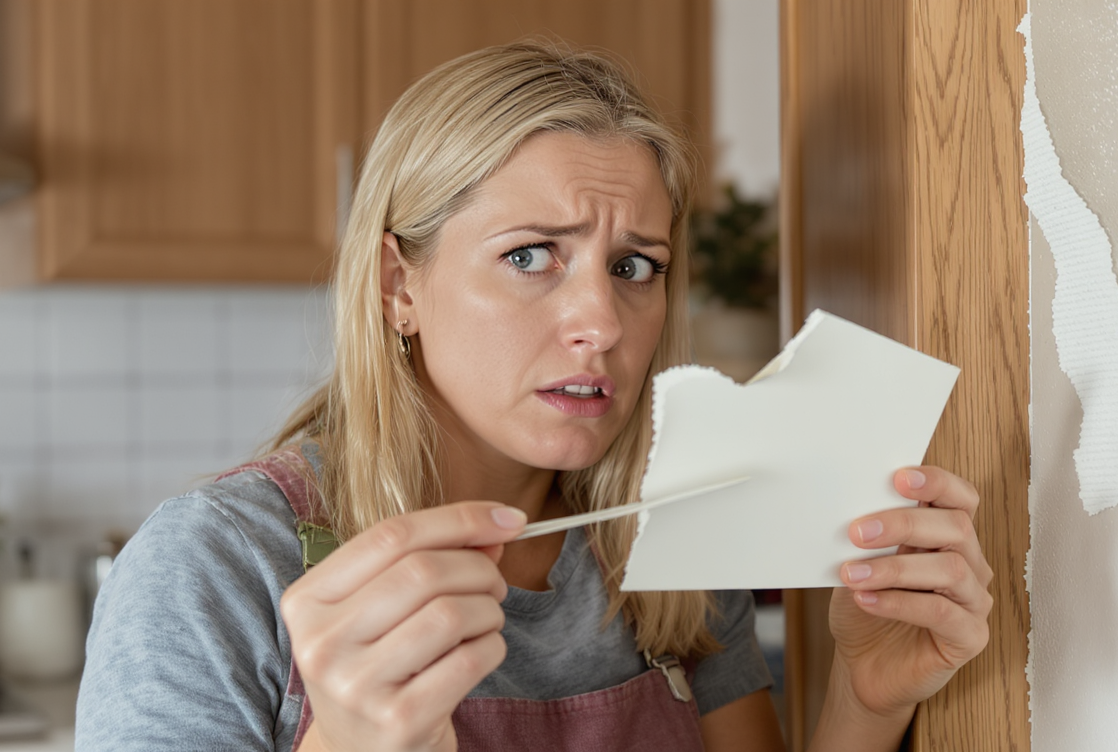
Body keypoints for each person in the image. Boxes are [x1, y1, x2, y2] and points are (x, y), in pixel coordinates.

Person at [75, 42, 992, 752]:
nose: (601, 319)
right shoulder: (217, 568)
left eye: (636, 266)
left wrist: (867, 698)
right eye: (528, 256)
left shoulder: (670, 544)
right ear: (399, 286)